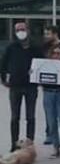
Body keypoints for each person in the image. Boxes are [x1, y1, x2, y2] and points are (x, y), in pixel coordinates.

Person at [1, 20, 42, 152]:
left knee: (30, 117)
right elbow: (3, 64)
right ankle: (14, 144)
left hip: (31, 86)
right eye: (18, 30)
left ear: (28, 30)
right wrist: (3, 80)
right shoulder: (11, 47)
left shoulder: (35, 47)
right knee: (14, 117)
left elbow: (42, 64)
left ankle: (29, 144)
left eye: (22, 29)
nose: (21, 32)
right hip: (15, 86)